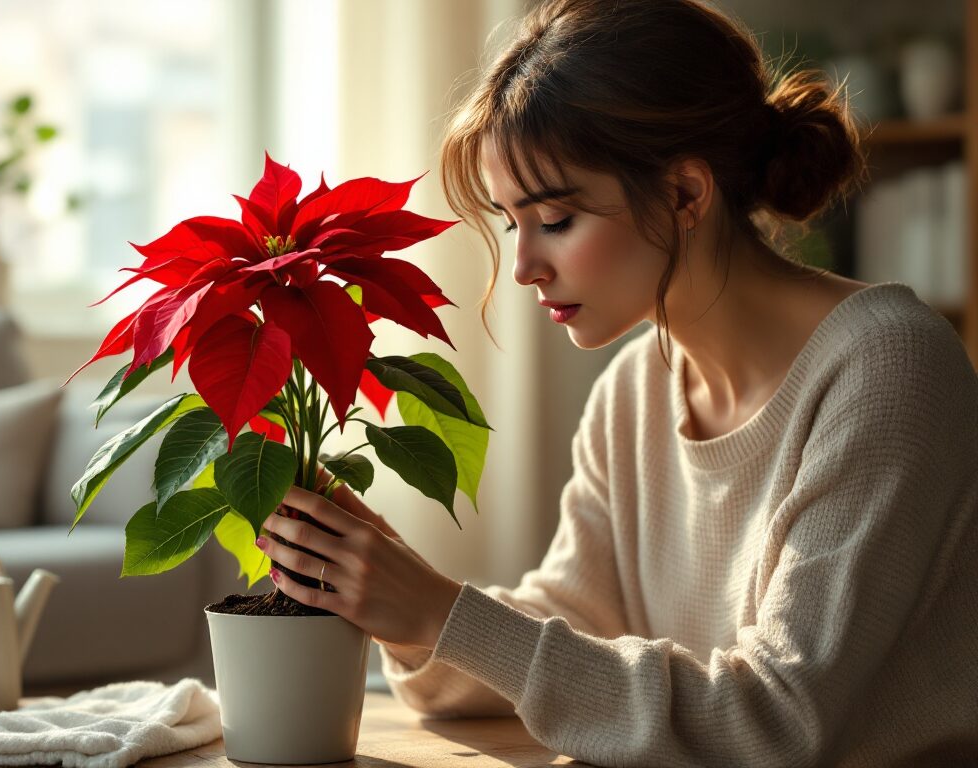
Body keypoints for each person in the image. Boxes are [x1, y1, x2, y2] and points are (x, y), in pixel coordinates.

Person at [253, 0, 978, 765]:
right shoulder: (636, 388)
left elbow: (775, 721)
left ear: (686, 195)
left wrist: (443, 612)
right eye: (512, 224)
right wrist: (403, 602)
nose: (527, 265)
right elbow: (569, 632)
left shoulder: (887, 367)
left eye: (556, 219)